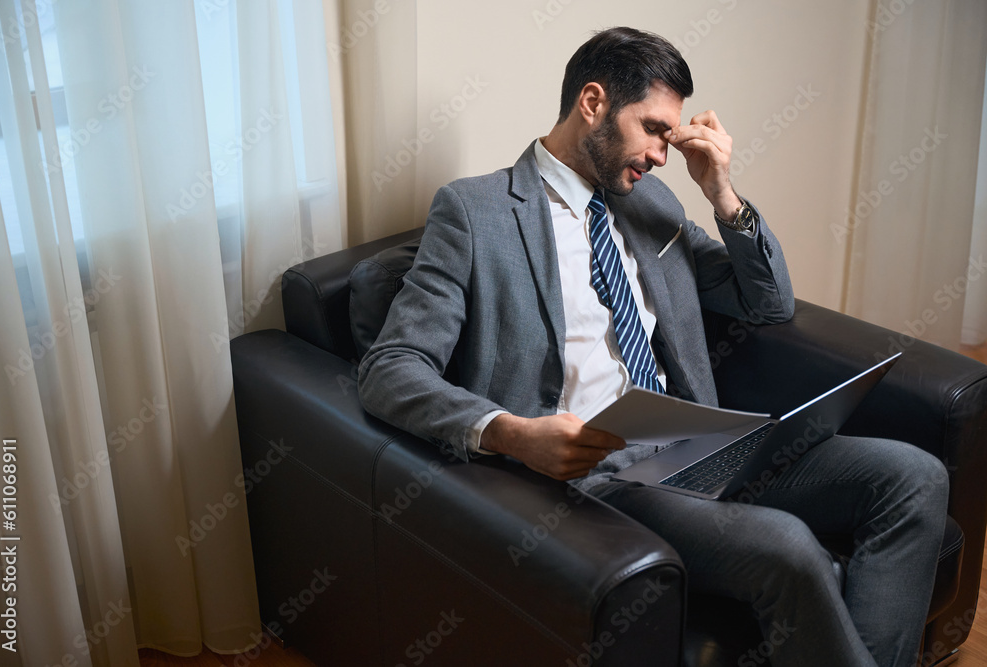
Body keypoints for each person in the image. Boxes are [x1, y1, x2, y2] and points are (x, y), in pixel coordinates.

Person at [358, 26, 947, 667]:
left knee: (914, 477)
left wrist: (722, 193)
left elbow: (766, 303)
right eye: (654, 129)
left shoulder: (651, 202)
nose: (663, 154)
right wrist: (511, 432)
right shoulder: (476, 213)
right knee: (788, 546)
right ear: (593, 102)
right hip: (602, 473)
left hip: (699, 443)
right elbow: (391, 368)